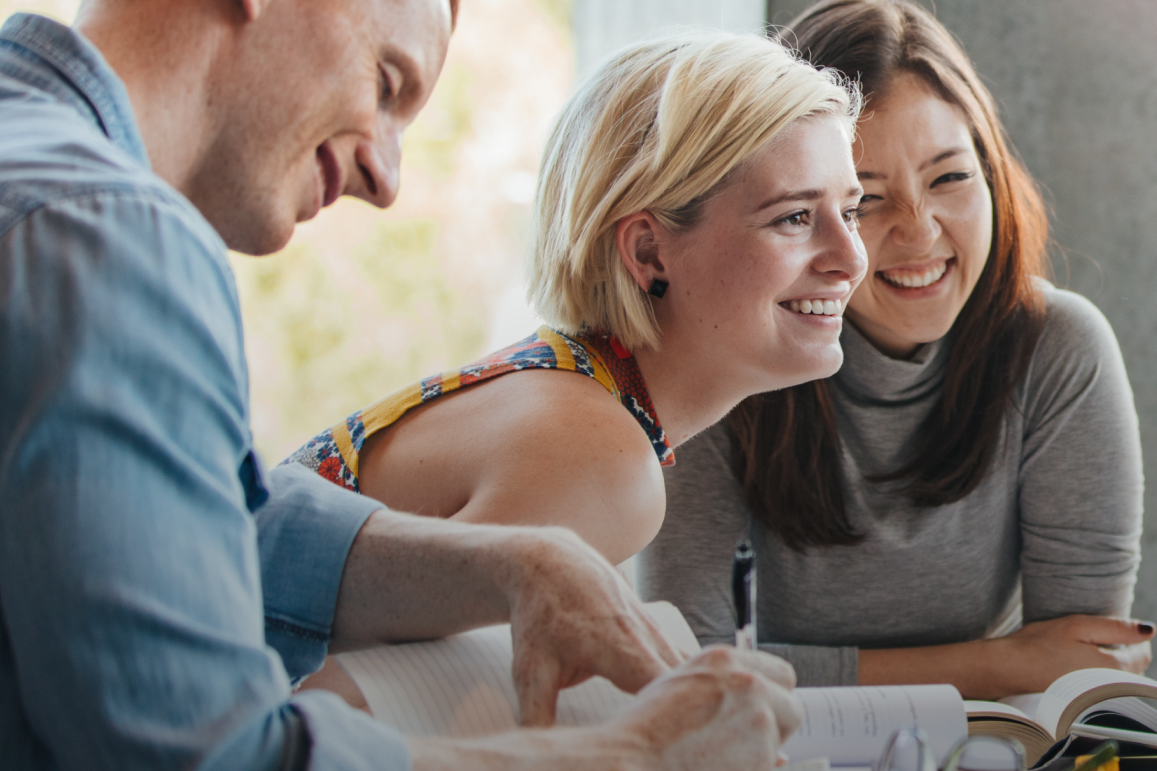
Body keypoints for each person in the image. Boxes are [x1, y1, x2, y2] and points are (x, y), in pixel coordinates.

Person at [0, 0, 802, 771]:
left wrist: (518, 561)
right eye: (388, 84)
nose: (387, 179)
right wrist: (641, 766)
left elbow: (202, 524)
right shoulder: (106, 235)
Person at [642, 0, 1151, 697]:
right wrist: (996, 662)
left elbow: (1077, 666)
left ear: (994, 176)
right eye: (865, 200)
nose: (918, 231)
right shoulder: (725, 349)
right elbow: (684, 667)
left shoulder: (1057, 349)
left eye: (950, 177)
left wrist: (1024, 669)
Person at [280, 29, 867, 567]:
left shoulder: (574, 393)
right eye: (793, 217)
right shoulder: (601, 463)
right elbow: (347, 679)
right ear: (647, 253)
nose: (852, 258)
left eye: (850, 212)